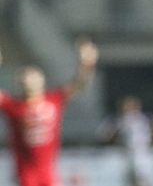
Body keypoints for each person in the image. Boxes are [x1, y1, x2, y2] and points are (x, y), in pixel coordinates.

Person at [0, 41, 99, 186]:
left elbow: (80, 84)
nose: (29, 79)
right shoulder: (13, 105)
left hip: (48, 172)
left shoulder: (54, 100)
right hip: (26, 173)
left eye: (33, 75)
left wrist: (87, 65)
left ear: (42, 81)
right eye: (25, 76)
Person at [97, 96, 153, 186]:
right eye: (127, 105)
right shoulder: (118, 120)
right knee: (129, 180)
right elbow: (104, 135)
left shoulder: (145, 118)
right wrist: (114, 139)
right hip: (125, 154)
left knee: (144, 179)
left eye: (132, 105)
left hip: (142, 153)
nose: (129, 108)